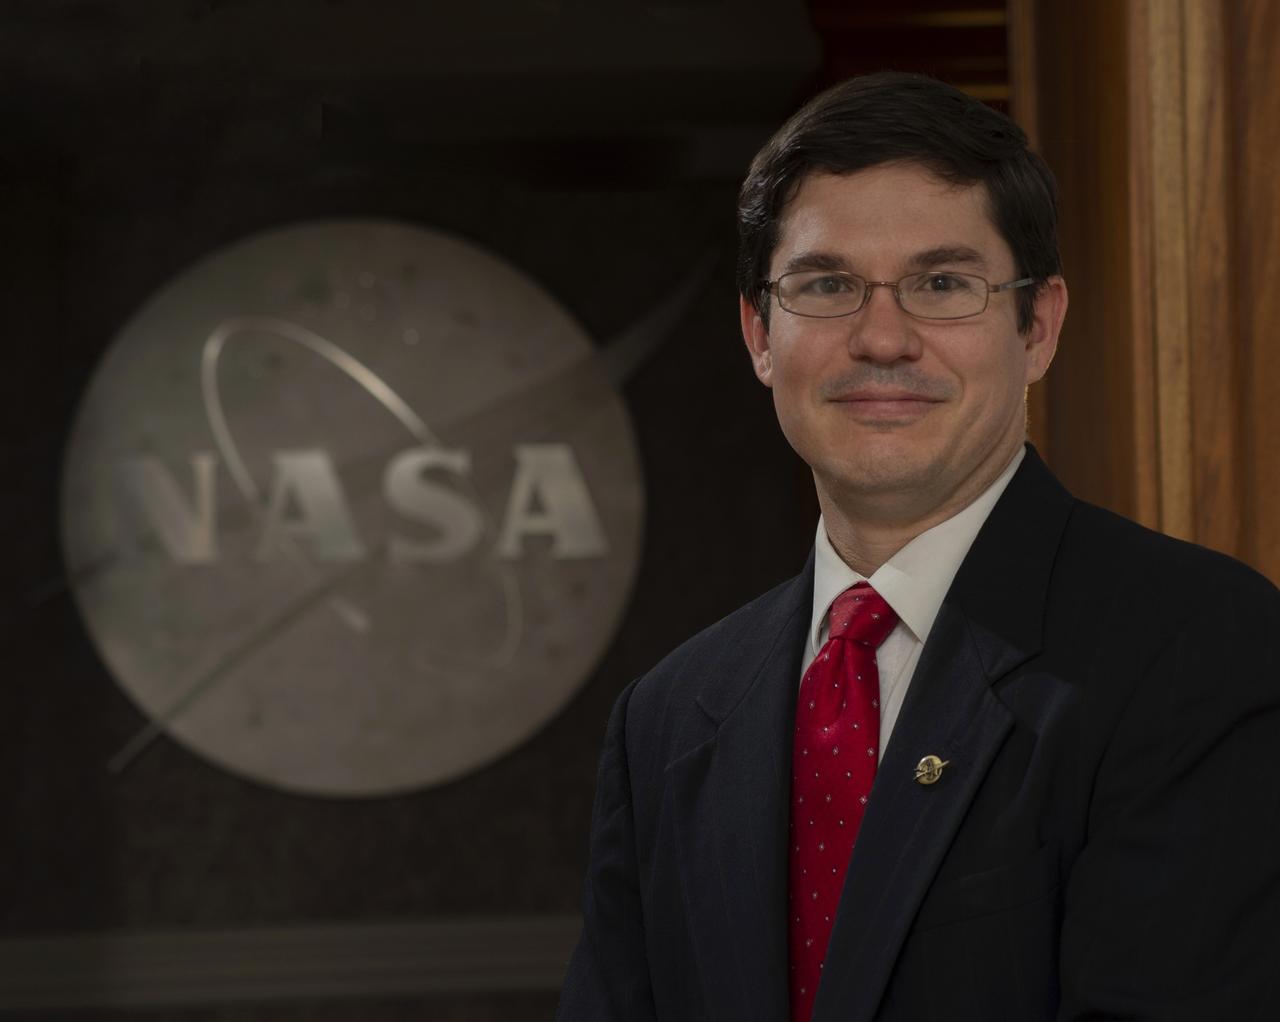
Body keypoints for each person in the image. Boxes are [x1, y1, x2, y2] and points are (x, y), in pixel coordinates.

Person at [556, 71, 1280, 1022]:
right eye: (827, 285)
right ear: (759, 334)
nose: (883, 339)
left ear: (1038, 326)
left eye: (942, 284)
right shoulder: (667, 718)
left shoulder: (1197, 645)